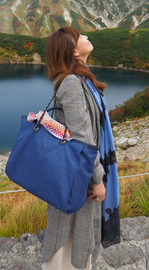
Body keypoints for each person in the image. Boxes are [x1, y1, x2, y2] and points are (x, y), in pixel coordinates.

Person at [41, 27, 120, 270]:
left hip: (81, 173)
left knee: (78, 237)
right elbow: (83, 138)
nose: (86, 36)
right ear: (74, 51)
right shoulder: (73, 83)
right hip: (80, 178)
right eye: (80, 36)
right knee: (71, 237)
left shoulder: (81, 79)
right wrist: (98, 180)